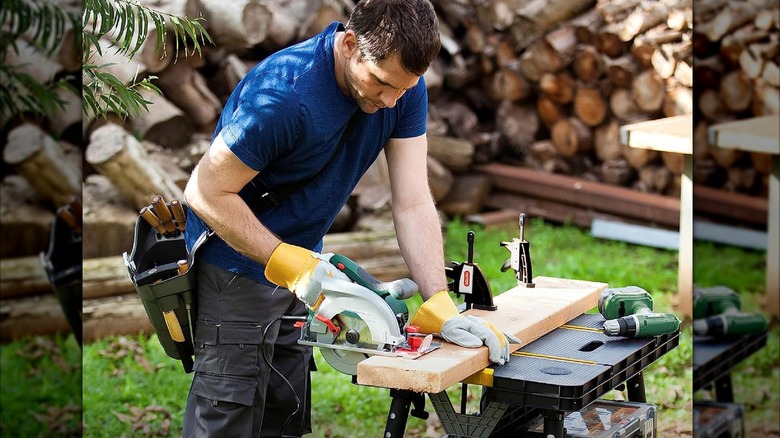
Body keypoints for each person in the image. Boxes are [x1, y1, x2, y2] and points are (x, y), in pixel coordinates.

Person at [181, 0, 514, 436]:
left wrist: (438, 305)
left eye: (403, 87)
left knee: (284, 409)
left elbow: (413, 200)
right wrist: (289, 265)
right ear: (351, 44)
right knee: (230, 410)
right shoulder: (285, 94)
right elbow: (205, 190)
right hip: (235, 265)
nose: (391, 99)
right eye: (381, 83)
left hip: (303, 267)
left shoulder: (403, 87)